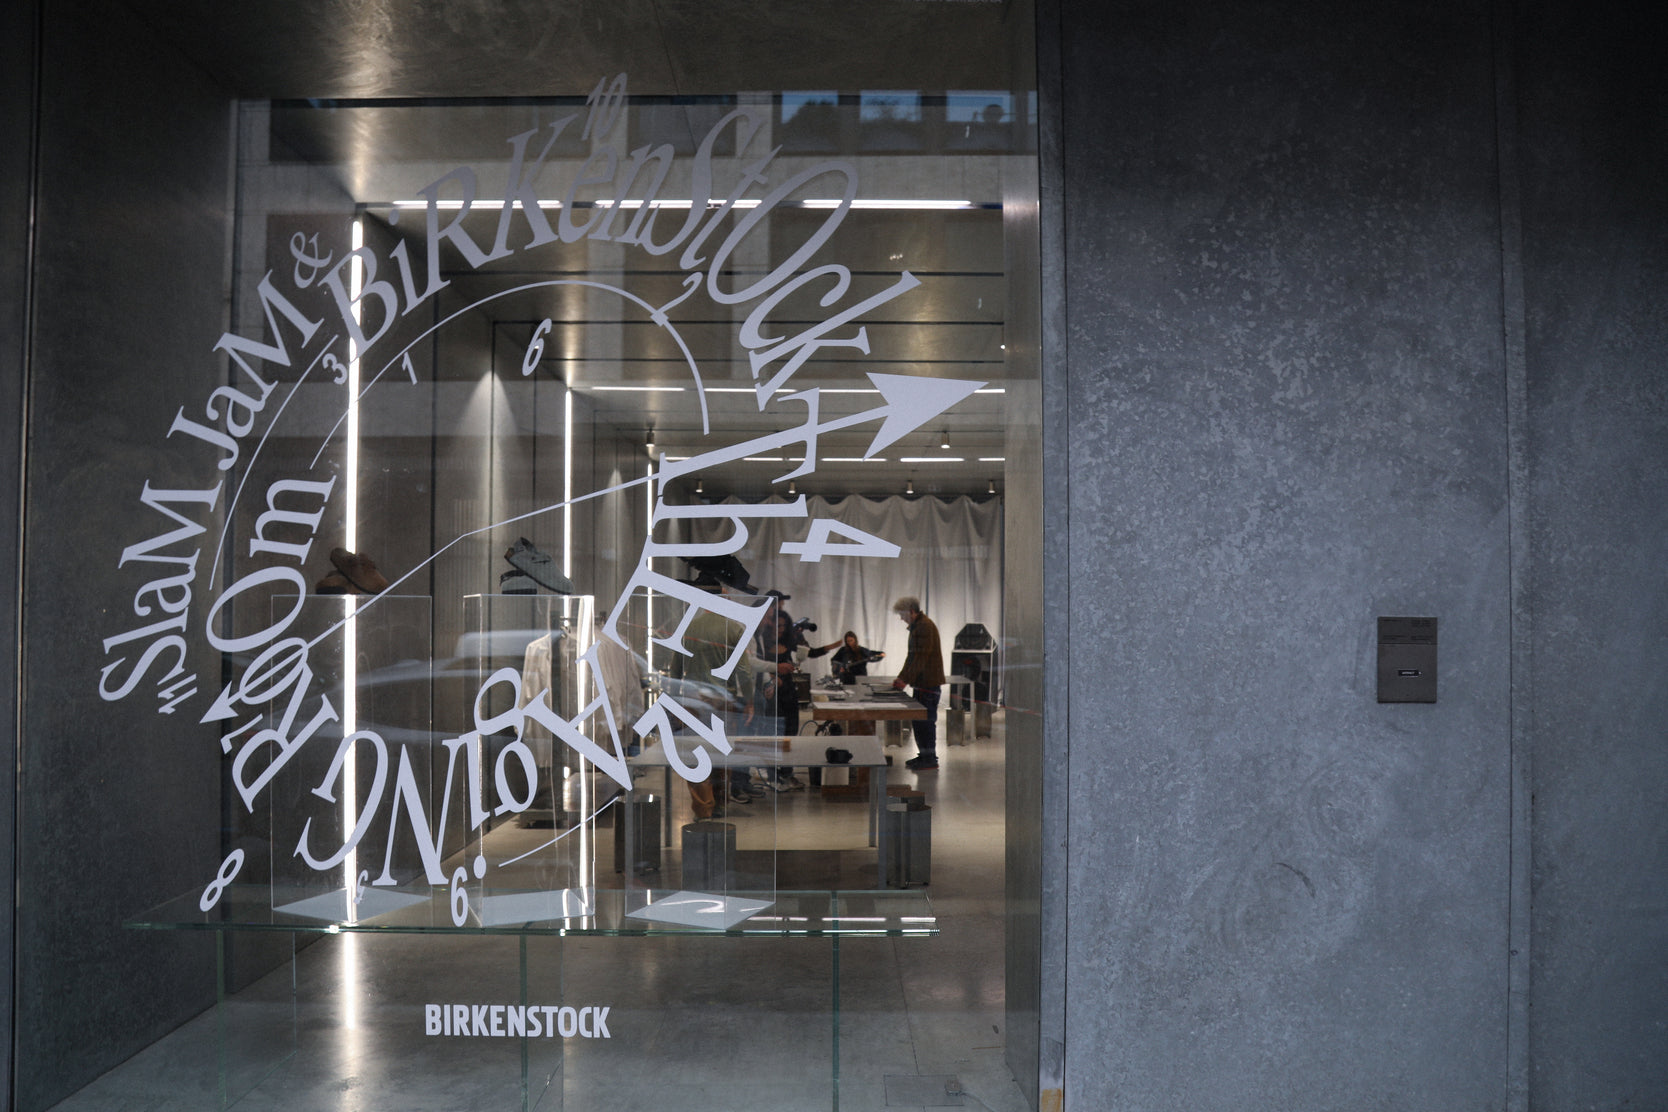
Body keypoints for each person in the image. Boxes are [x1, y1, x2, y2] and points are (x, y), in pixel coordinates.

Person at [670, 580, 756, 816]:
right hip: (723, 701)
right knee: (721, 752)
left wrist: (674, 702)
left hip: (693, 701)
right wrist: (749, 701)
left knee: (695, 753)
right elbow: (743, 671)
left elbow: (675, 669)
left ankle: (703, 807)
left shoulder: (688, 628)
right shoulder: (734, 629)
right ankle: (719, 803)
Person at [891, 596, 945, 771]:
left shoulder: (924, 627)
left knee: (926, 722)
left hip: (928, 684)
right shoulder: (918, 626)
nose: (901, 618)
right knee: (919, 721)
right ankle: (924, 755)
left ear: (911, 612)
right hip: (922, 684)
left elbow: (920, 657)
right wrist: (902, 677)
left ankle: (929, 759)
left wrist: (904, 680)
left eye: (902, 615)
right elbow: (912, 657)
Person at [809, 631, 881, 685]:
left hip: (860, 677)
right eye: (848, 641)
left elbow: (873, 655)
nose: (850, 643)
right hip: (846, 678)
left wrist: (881, 654)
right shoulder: (843, 650)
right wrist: (838, 668)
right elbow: (834, 660)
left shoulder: (862, 650)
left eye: (851, 640)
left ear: (855, 640)